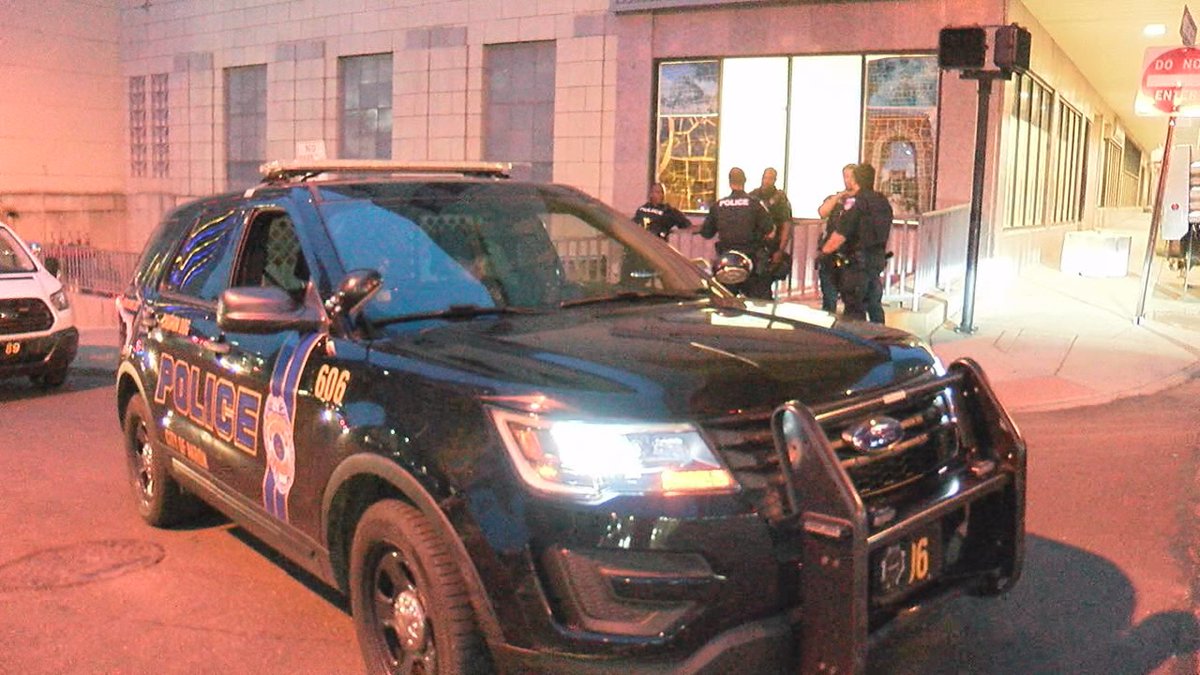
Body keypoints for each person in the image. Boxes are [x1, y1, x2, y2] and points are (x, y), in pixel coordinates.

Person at [819, 162, 892, 323]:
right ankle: (880, 339)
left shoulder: (857, 202)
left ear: (857, 179)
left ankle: (858, 345)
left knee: (854, 309)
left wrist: (824, 252)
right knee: (874, 305)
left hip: (857, 264)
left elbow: (841, 233)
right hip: (876, 259)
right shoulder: (882, 201)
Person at [699, 167, 774, 299]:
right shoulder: (755, 204)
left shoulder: (719, 205)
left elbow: (706, 233)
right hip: (751, 261)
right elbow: (769, 228)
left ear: (729, 182)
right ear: (744, 181)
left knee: (726, 301)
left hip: (726, 262)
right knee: (758, 302)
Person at [815, 163, 857, 314]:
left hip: (849, 254)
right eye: (845, 176)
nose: (848, 180)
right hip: (830, 255)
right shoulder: (836, 199)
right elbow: (822, 212)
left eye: (851, 176)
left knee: (851, 300)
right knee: (829, 297)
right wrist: (838, 197)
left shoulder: (861, 200)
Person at [749, 167, 793, 281]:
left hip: (771, 246)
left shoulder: (780, 199)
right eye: (765, 178)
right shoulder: (753, 195)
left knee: (764, 281)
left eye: (770, 178)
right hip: (753, 245)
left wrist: (780, 250)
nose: (766, 181)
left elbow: (786, 225)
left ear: (775, 180)